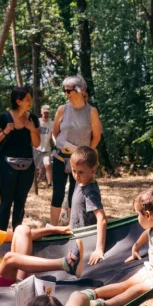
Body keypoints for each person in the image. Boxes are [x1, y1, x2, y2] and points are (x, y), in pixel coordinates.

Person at [0, 207, 84, 289]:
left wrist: (53, 230)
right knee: (9, 258)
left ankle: (20, 283)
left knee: (22, 229)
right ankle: (66, 264)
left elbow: (25, 235)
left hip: (6, 278)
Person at [50, 75, 103, 225]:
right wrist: (61, 144)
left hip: (80, 161)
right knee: (58, 193)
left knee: (77, 194)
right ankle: (52, 228)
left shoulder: (91, 111)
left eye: (68, 90)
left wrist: (85, 154)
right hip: (61, 157)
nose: (65, 94)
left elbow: (96, 137)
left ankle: (74, 227)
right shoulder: (62, 109)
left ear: (80, 90)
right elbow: (55, 132)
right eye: (64, 90)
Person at [0, 86, 40, 230]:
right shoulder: (4, 118)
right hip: (8, 166)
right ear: (18, 101)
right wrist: (5, 131)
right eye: (27, 99)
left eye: (30, 99)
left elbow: (36, 144)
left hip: (27, 166)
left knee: (20, 201)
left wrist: (31, 129)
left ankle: (17, 235)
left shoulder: (33, 119)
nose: (30, 102)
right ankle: (3, 235)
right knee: (6, 202)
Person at [68, 146, 107, 264]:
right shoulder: (80, 182)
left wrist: (99, 249)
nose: (76, 176)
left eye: (80, 172)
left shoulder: (90, 192)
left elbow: (102, 219)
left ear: (93, 170)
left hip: (85, 241)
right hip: (75, 235)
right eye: (74, 171)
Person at [34, 104, 54, 186]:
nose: (46, 114)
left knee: (48, 164)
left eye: (47, 113)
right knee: (34, 168)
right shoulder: (37, 122)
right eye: (44, 112)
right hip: (37, 148)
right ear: (41, 112)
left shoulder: (52, 123)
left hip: (46, 149)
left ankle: (49, 184)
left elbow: (53, 135)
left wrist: (56, 142)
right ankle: (33, 185)